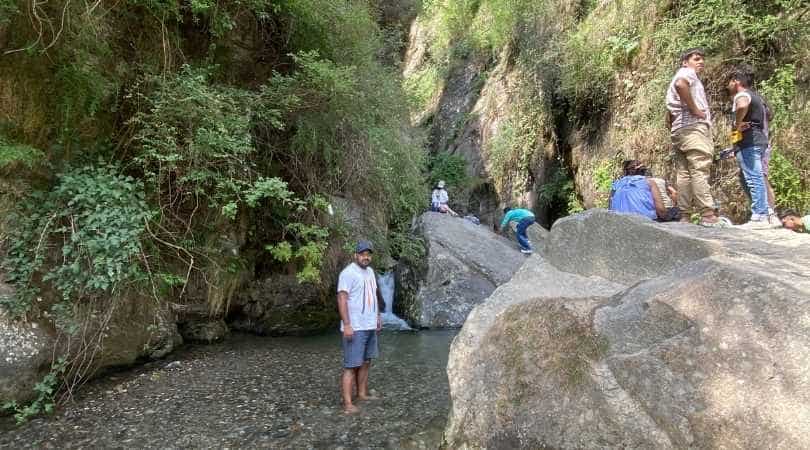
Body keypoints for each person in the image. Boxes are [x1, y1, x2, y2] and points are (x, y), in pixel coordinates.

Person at [666, 48, 724, 227]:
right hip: (693, 129)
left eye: (702, 60)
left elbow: (669, 113)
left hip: (680, 130)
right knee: (699, 169)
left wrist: (674, 125)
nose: (701, 62)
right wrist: (694, 110)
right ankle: (707, 214)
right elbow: (681, 85)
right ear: (685, 62)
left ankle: (685, 216)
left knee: (684, 174)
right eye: (696, 59)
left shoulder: (679, 76)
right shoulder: (686, 73)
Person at [727, 68, 778, 229]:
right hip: (759, 141)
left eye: (730, 82)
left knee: (753, 177)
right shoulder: (758, 97)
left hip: (750, 141)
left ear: (736, 81)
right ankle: (767, 213)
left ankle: (760, 215)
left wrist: (736, 123)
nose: (728, 85)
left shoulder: (742, 95)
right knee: (748, 177)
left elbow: (742, 106)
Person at [337, 240, 382, 414]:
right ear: (355, 255)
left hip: (370, 325)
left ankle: (362, 394)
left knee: (365, 362)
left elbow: (374, 295)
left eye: (368, 254)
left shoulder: (370, 272)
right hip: (355, 327)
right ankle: (348, 404)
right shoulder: (347, 273)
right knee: (351, 365)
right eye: (362, 254)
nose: (366, 257)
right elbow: (342, 298)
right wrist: (347, 324)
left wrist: (377, 316)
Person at [609, 160, 680, 222]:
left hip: (619, 221)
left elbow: (610, 208)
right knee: (677, 212)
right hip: (645, 221)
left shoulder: (616, 184)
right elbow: (661, 210)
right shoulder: (649, 182)